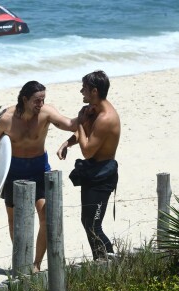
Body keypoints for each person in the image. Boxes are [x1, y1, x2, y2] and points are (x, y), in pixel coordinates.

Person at [0, 81, 78, 272]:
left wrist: (86, 114)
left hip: (39, 169)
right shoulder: (6, 118)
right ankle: (22, 260)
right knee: (13, 221)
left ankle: (36, 264)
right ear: (24, 99)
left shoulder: (46, 113)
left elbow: (71, 124)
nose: (41, 104)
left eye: (43, 100)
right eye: (36, 100)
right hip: (13, 172)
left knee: (46, 218)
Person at [57, 70, 120, 260]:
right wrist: (67, 142)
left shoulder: (105, 118)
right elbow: (85, 133)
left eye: (83, 88)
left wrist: (80, 124)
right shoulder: (94, 111)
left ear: (94, 91)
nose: (80, 91)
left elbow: (87, 150)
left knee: (94, 225)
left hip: (103, 175)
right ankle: (100, 260)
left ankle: (108, 261)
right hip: (93, 172)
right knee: (87, 222)